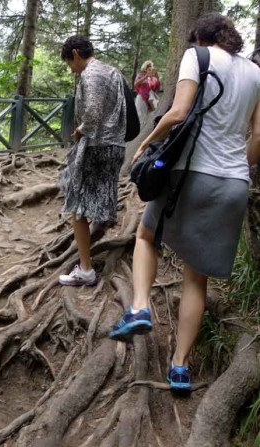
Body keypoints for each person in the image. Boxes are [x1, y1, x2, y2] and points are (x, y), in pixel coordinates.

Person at [109, 13, 260, 390]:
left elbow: (177, 112)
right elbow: (258, 135)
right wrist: (238, 166)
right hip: (234, 184)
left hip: (191, 175)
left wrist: (146, 142)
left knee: (146, 236)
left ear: (201, 37)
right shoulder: (256, 73)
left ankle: (140, 306)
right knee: (197, 276)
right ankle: (179, 369)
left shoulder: (198, 56)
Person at [58, 36, 126, 286]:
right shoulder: (113, 72)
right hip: (116, 146)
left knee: (76, 205)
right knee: (96, 198)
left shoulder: (90, 74)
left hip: (97, 146)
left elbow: (94, 114)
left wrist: (80, 130)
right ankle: (97, 234)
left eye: (69, 63)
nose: (72, 69)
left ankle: (85, 270)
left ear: (76, 53)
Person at [134, 60, 161, 128]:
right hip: (141, 99)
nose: (150, 67)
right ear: (145, 67)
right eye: (148, 66)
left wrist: (157, 77)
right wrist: (146, 76)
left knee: (150, 118)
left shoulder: (152, 78)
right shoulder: (140, 75)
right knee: (141, 117)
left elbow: (157, 88)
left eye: (151, 66)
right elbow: (136, 84)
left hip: (150, 100)